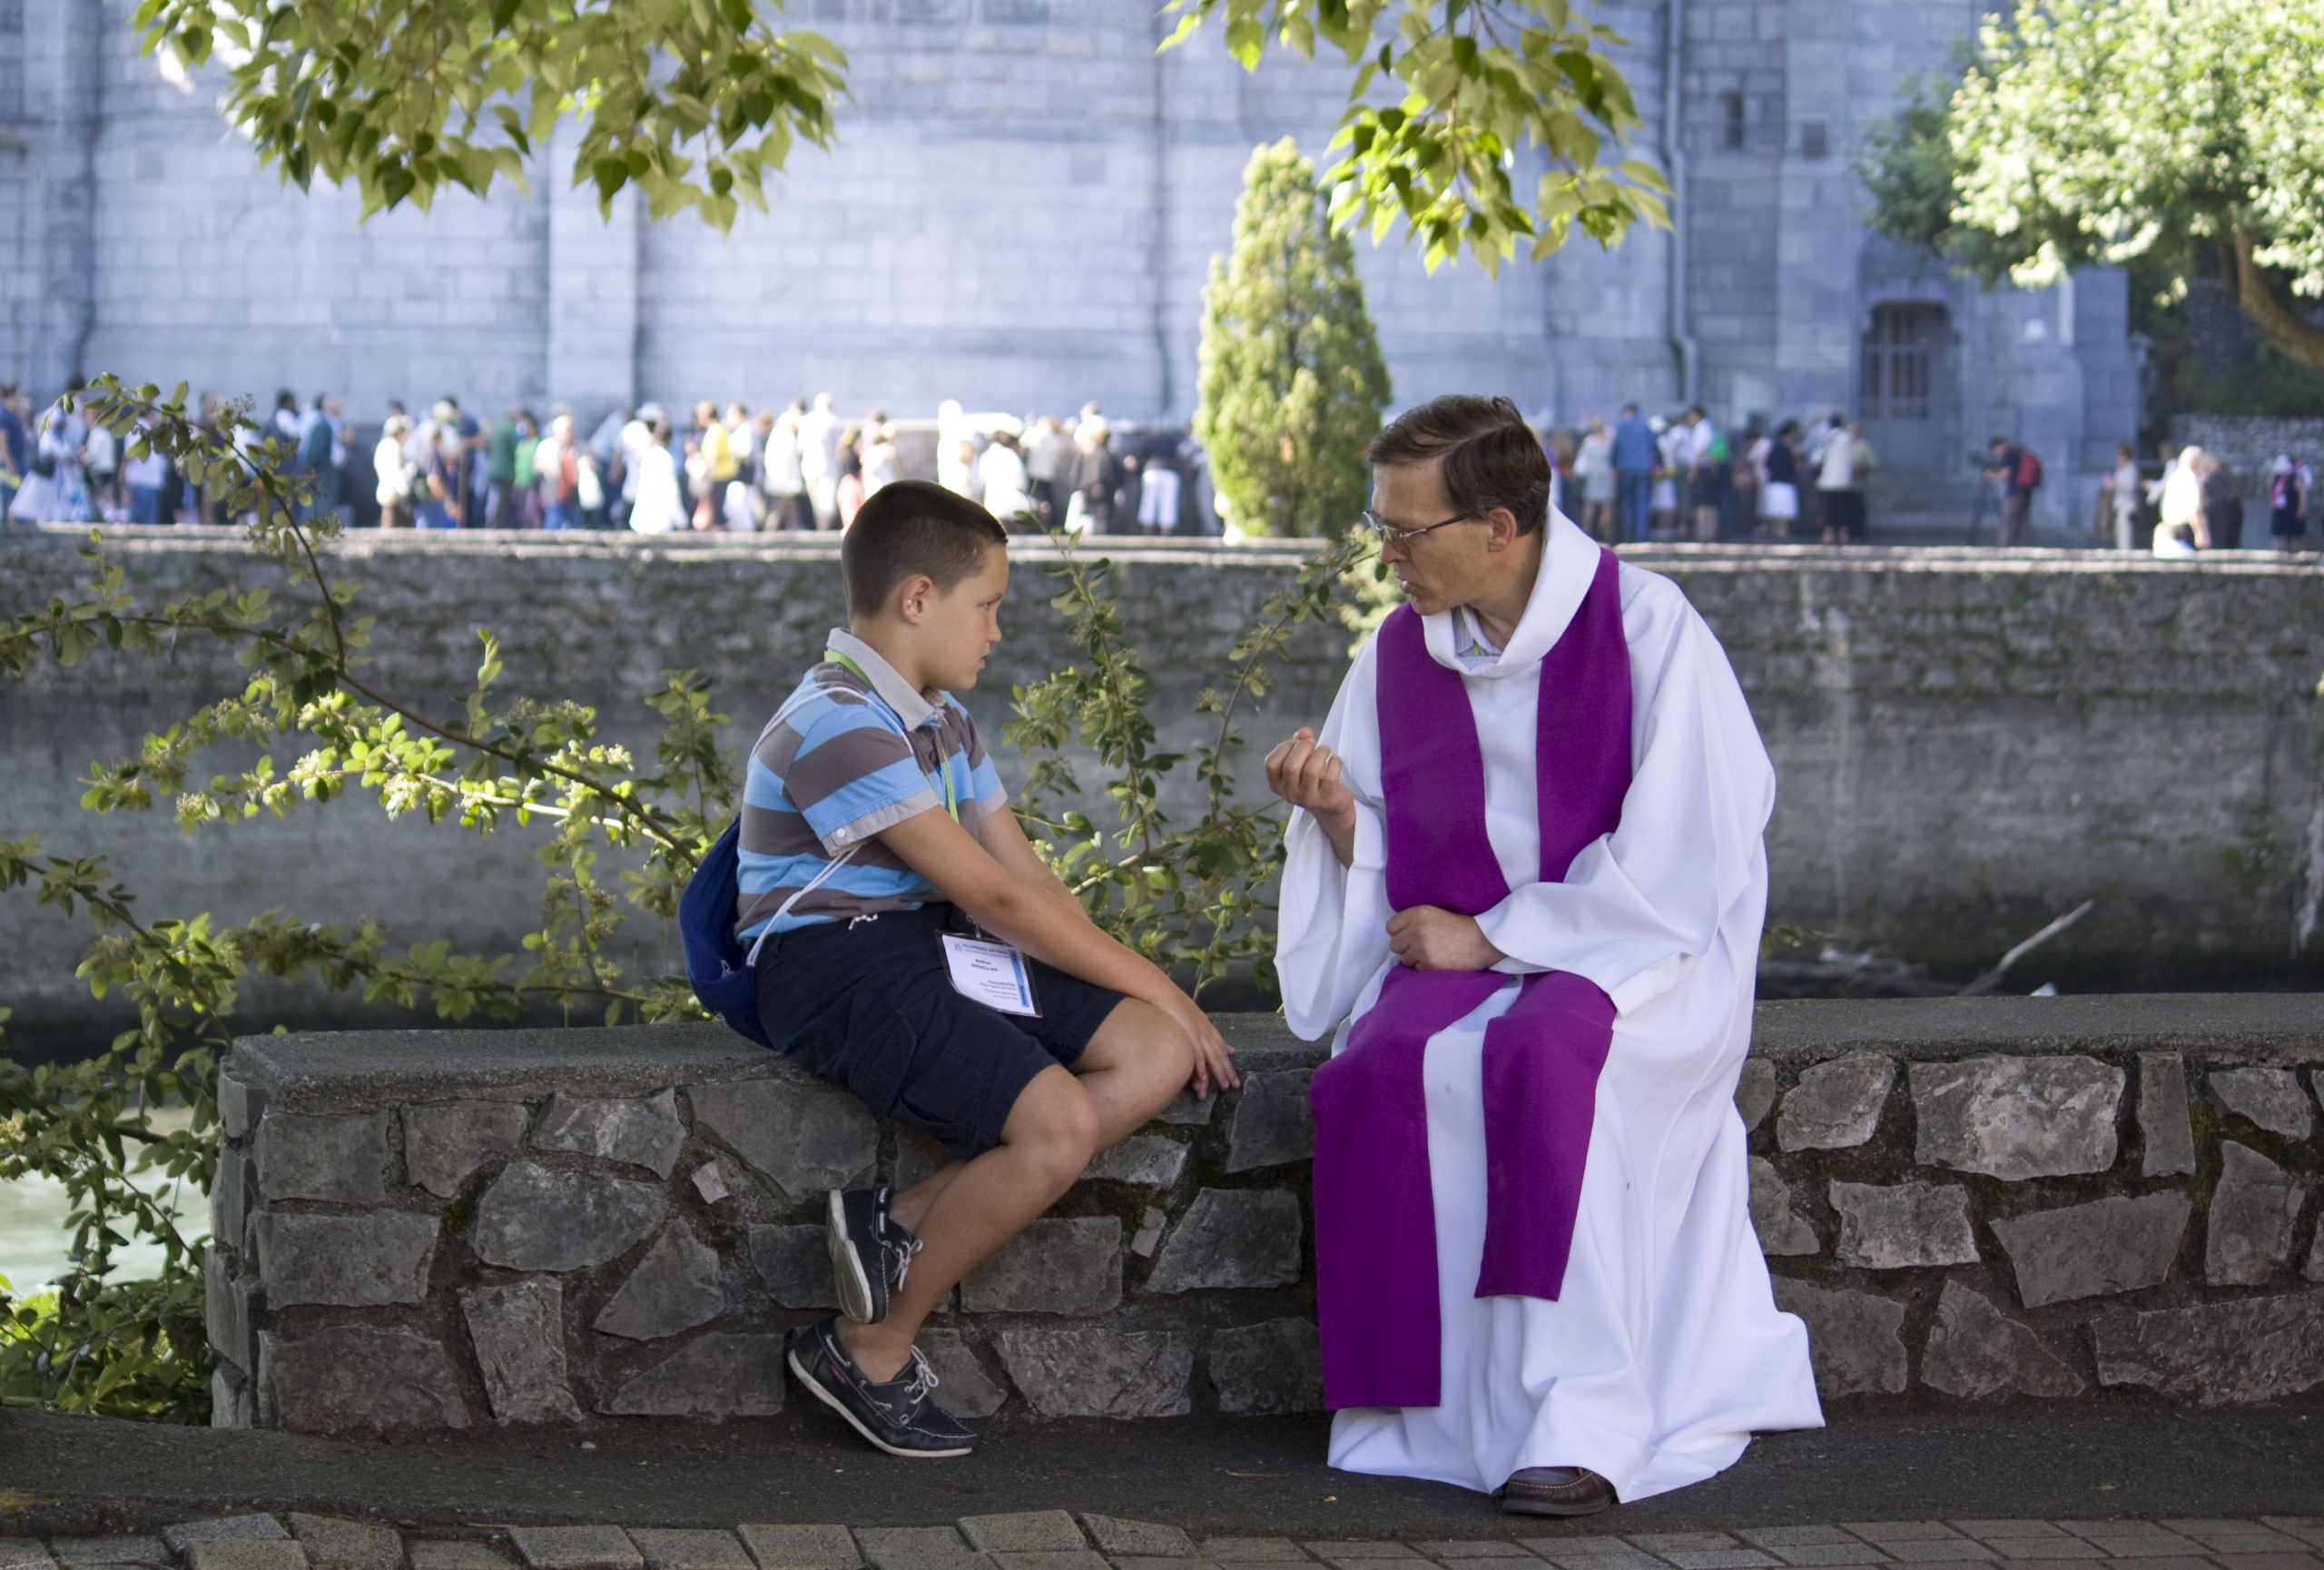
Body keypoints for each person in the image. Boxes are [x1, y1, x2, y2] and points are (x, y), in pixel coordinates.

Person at [1264, 395, 1821, 1516]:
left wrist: (1497, 937)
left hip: (1627, 961)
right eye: (1379, 525)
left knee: (1542, 1064)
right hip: (1465, 953)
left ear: (1501, 527)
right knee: (1373, 1072)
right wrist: (1334, 818)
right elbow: (1390, 835)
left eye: (1407, 532)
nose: (1386, 556)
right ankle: (1407, 1410)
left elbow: (1687, 854)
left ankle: (1577, 1417)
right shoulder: (1393, 655)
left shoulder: (1646, 629)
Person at [746, 480, 1233, 1456]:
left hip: (925, 945)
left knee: (1148, 1054)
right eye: (989, 605)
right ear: (917, 598)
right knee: (1054, 1125)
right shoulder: (838, 717)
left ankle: (894, 1219)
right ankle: (865, 1348)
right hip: (830, 964)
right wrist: (1171, 985)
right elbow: (997, 900)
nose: (997, 631)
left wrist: (1153, 1006)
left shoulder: (944, 719)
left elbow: (1029, 883)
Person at [627, 419, 684, 535]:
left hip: (641, 518)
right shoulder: (665, 458)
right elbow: (670, 490)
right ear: (670, 440)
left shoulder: (648, 456)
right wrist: (680, 519)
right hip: (659, 520)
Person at [1608, 404, 1655, 544]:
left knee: (1627, 500)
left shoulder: (1621, 427)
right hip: (1643, 468)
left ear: (1627, 413)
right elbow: (1654, 446)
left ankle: (1629, 531)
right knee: (1642, 500)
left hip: (1625, 468)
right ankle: (1642, 533)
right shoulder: (1645, 427)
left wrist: (1613, 465)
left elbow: (1616, 447)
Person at [1984, 436, 2034, 548]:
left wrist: (1992, 475)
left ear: (1998, 447)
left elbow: (2007, 472)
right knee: (2021, 522)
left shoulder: (2010, 453)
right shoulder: (2019, 452)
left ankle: (2004, 547)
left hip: (2014, 493)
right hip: (2025, 492)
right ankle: (2023, 546)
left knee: (2007, 521)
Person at [1815, 415, 1858, 545]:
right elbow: (1853, 459)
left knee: (1828, 509)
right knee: (1843, 509)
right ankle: (1844, 534)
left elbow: (1817, 457)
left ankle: (1827, 534)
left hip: (1828, 481)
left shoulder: (1828, 437)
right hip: (1844, 480)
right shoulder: (1847, 438)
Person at [1681, 406, 1720, 542]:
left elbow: (1699, 451)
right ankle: (1709, 532)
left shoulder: (1701, 429)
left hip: (1701, 468)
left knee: (1701, 503)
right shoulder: (1708, 428)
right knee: (1709, 502)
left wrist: (1693, 470)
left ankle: (1702, 533)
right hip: (1707, 468)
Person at [979, 424, 1031, 524]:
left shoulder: (985, 456)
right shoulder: (1012, 456)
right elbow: (1022, 484)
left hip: (992, 507)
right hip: (1014, 507)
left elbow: (980, 483)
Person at [1758, 420, 1801, 540]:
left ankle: (1776, 532)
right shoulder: (1786, 451)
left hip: (1774, 482)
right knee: (1783, 511)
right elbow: (1791, 467)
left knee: (1776, 511)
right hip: (1784, 483)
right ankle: (1782, 532)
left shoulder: (1774, 448)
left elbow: (1767, 464)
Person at [374, 415, 417, 528]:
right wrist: (405, 492)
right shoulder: (394, 447)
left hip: (384, 491)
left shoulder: (383, 444)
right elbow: (397, 472)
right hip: (394, 495)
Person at [2198, 449, 2242, 550]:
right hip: (2231, 512)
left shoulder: (2216, 477)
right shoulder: (2228, 475)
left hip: (2220, 513)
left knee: (2220, 543)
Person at [2106, 444, 2141, 551]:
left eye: (2120, 455)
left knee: (2126, 533)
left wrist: (2116, 485)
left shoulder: (2131, 469)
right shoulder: (2121, 469)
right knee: (2119, 532)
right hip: (2120, 505)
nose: (2118, 457)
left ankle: (2126, 552)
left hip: (2128, 505)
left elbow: (2131, 486)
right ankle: (2122, 551)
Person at [2267, 456, 2305, 554]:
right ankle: (2279, 555)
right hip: (2280, 511)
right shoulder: (2276, 479)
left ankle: (2295, 555)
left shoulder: (2295, 479)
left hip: (2292, 510)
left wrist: (2301, 508)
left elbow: (2302, 494)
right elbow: (2272, 492)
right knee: (2278, 534)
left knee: (2294, 536)